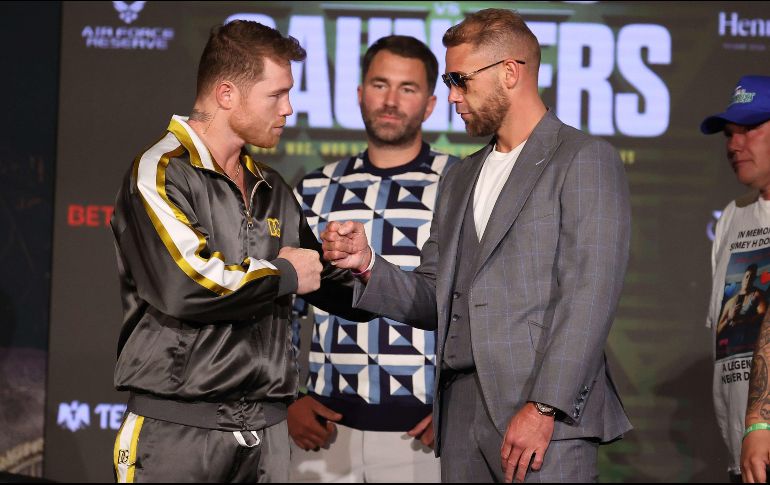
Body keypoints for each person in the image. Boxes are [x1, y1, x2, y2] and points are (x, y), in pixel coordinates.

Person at [319, 8, 631, 483]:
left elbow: (590, 296)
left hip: (541, 416)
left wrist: (543, 406)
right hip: (461, 412)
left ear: (510, 72)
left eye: (461, 80)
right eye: (449, 81)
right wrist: (367, 266)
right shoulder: (461, 175)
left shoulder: (583, 159)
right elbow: (433, 298)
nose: (451, 97)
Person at [109, 20, 370, 483]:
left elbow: (325, 285)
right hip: (177, 431)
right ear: (227, 94)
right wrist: (287, 274)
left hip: (266, 433)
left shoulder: (272, 187)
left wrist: (353, 265)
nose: (289, 109)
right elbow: (185, 286)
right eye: (278, 94)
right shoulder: (162, 172)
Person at [288, 35, 458, 482]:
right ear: (360, 93)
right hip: (324, 430)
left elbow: (478, 304)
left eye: (408, 88)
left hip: (428, 434)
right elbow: (282, 303)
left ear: (431, 103)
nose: (391, 100)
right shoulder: (313, 187)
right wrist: (286, 397)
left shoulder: (461, 183)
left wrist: (461, 406)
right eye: (380, 84)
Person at [699, 75, 770, 483]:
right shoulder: (732, 217)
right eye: (729, 134)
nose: (733, 144)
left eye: (750, 129)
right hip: (743, 454)